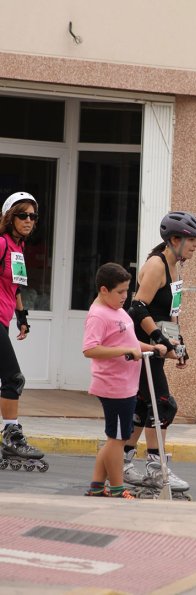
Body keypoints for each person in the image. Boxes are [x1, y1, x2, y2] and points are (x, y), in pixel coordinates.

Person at [123, 211, 196, 493]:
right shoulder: (157, 265)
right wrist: (161, 340)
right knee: (163, 405)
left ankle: (123, 461)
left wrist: (179, 345)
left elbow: (171, 311)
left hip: (156, 347)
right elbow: (137, 307)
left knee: (143, 406)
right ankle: (156, 468)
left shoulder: (176, 266)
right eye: (191, 239)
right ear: (174, 239)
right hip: (142, 348)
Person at [82, 262, 167, 498]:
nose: (125, 296)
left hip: (126, 385)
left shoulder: (118, 311)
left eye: (127, 291)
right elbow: (90, 349)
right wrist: (123, 352)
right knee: (118, 439)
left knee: (114, 438)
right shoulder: (99, 315)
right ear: (103, 290)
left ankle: (98, 486)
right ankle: (118, 489)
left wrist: (151, 347)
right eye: (120, 292)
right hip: (113, 385)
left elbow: (128, 342)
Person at [0, 192, 44, 459]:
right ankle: (11, 436)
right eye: (23, 215)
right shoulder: (2, 244)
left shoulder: (19, 248)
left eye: (33, 216)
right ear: (9, 217)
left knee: (8, 378)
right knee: (14, 378)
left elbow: (14, 285)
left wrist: (22, 317)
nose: (29, 220)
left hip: (4, 319)